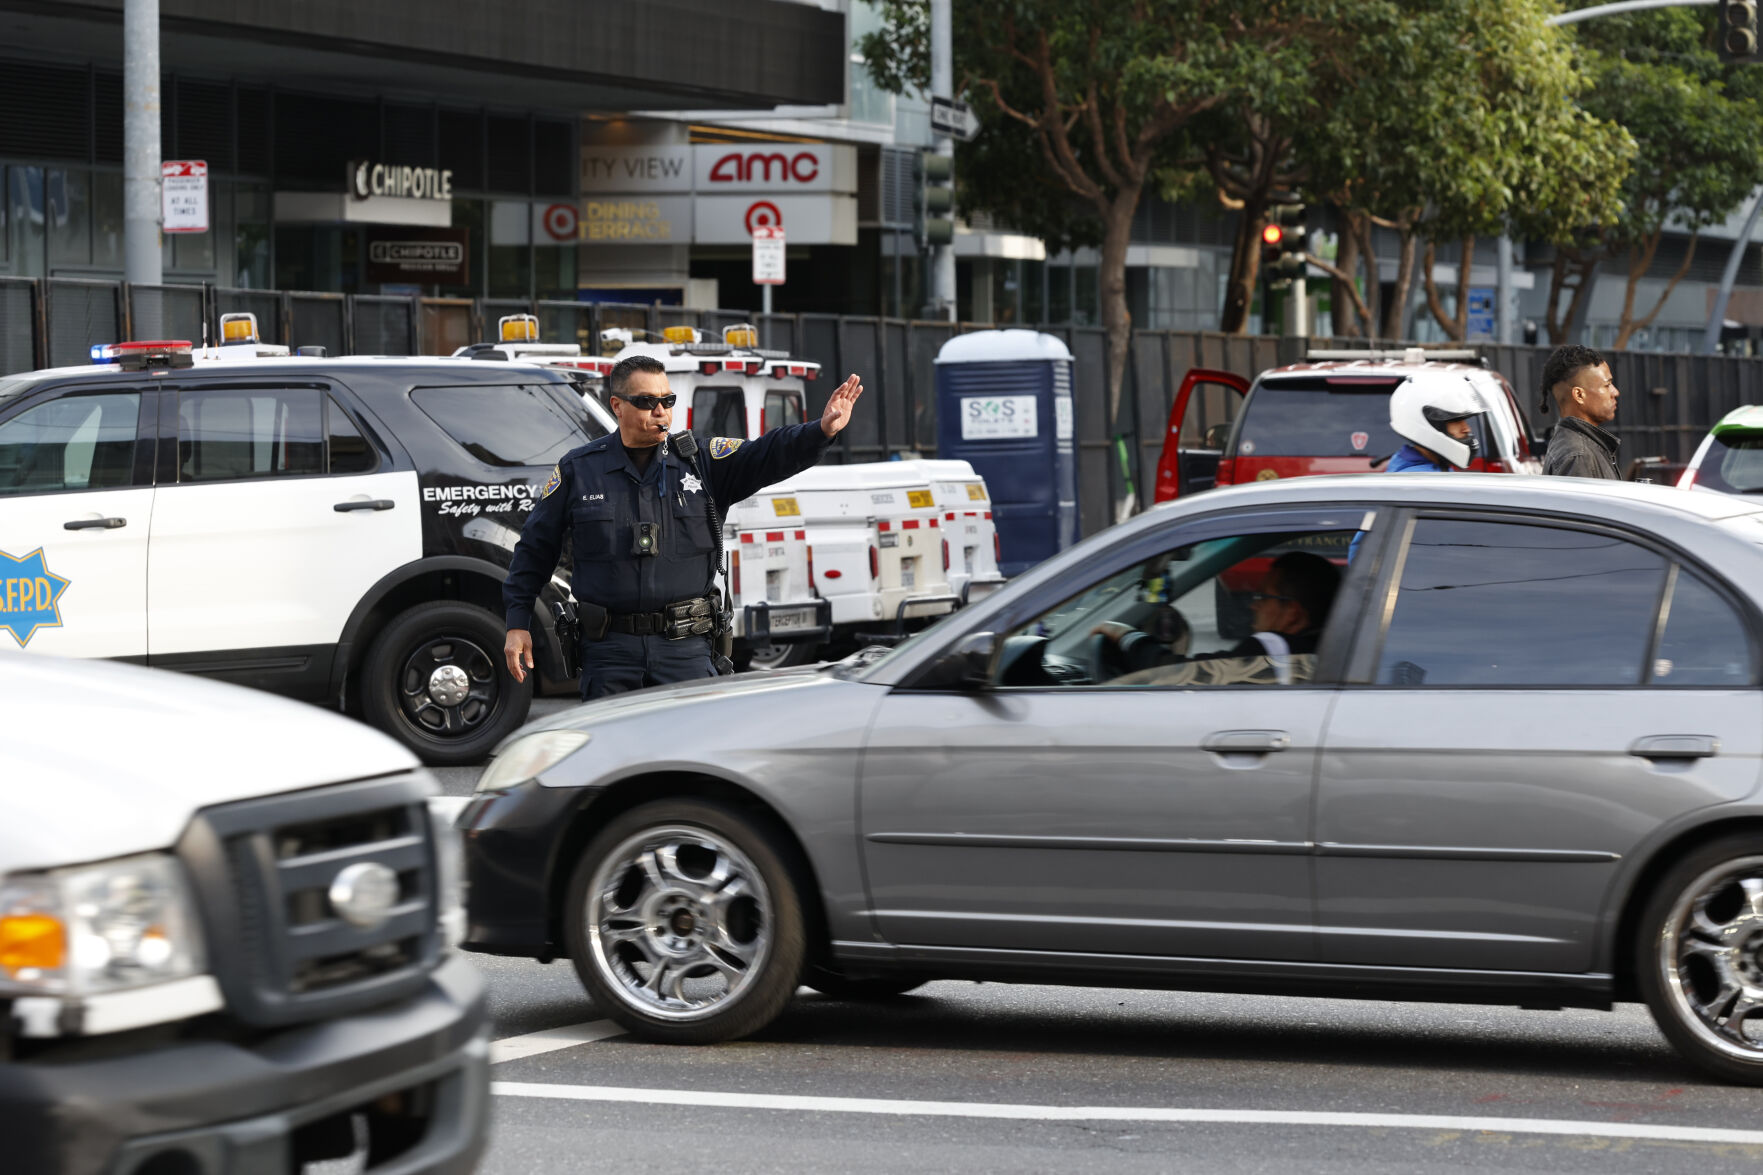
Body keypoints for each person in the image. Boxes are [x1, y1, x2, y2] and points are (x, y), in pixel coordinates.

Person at [502, 355, 864, 700]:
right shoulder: (579, 470)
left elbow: (767, 453)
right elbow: (535, 549)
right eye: (646, 401)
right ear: (617, 405)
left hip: (685, 649)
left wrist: (820, 430)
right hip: (609, 653)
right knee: (616, 754)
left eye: (667, 400)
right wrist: (518, 622)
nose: (660, 411)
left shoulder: (702, 462)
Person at [1095, 550, 1341, 683]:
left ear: (1293, 615)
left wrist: (1128, 637)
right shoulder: (1335, 649)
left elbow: (1180, 673)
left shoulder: (1273, 650)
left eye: (1264, 597)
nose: (1253, 606)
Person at [1539, 344, 1621, 479]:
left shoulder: (1577, 448)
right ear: (1579, 395)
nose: (1615, 392)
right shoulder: (1579, 456)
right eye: (1607, 385)